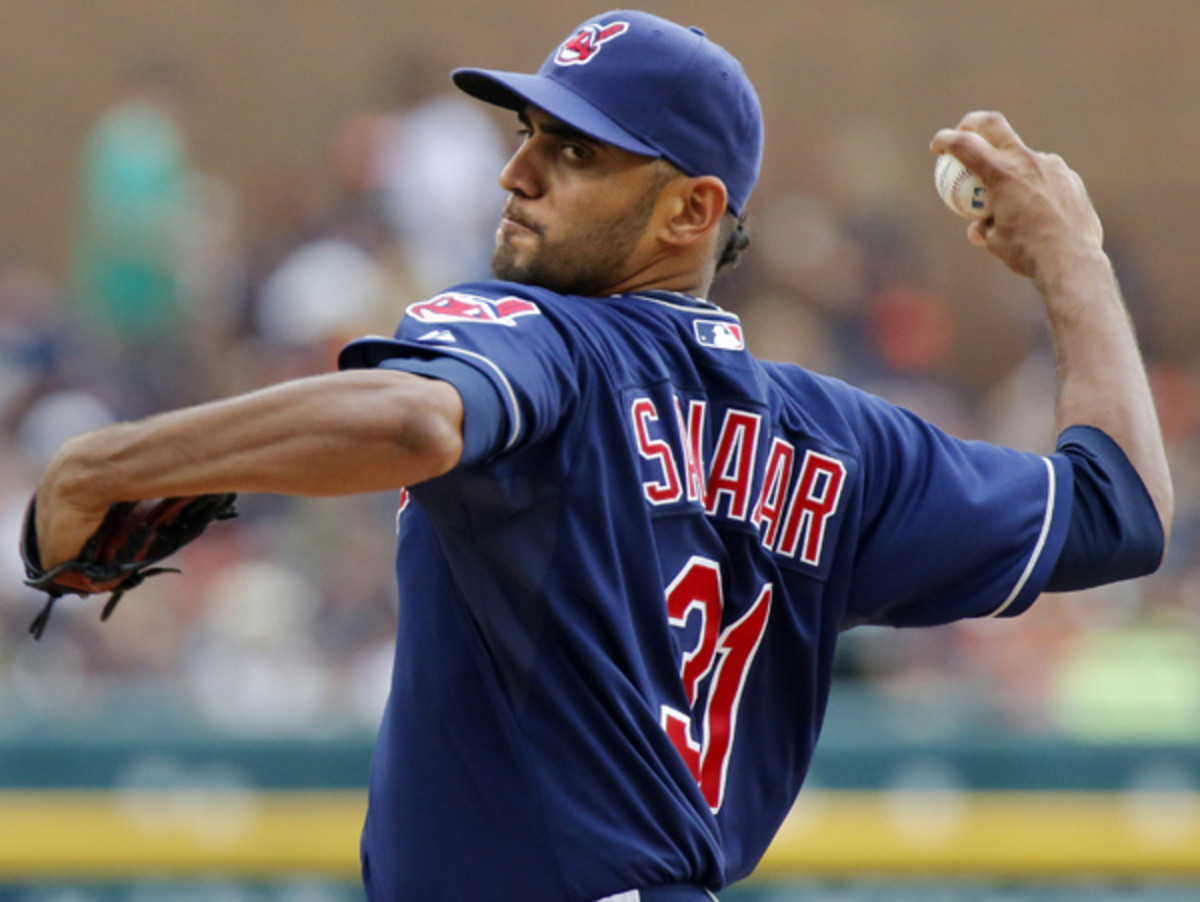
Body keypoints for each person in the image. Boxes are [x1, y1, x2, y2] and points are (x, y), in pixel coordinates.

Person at [29, 10, 1172, 901]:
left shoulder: (549, 340)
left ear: (690, 211)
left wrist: (100, 467)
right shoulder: (843, 440)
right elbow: (1119, 510)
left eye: (571, 150)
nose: (516, 172)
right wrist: (1071, 258)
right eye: (527, 135)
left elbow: (415, 423)